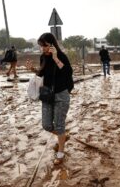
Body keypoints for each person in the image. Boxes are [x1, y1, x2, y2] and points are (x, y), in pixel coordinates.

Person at [26, 33, 74, 165]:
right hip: (47, 95)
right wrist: (32, 69)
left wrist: (55, 58)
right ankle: (63, 136)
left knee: (59, 125)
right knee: (46, 125)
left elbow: (68, 73)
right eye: (41, 46)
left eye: (45, 46)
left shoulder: (61, 56)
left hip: (61, 95)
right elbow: (42, 74)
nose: (43, 49)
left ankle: (60, 152)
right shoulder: (43, 57)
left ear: (52, 45)